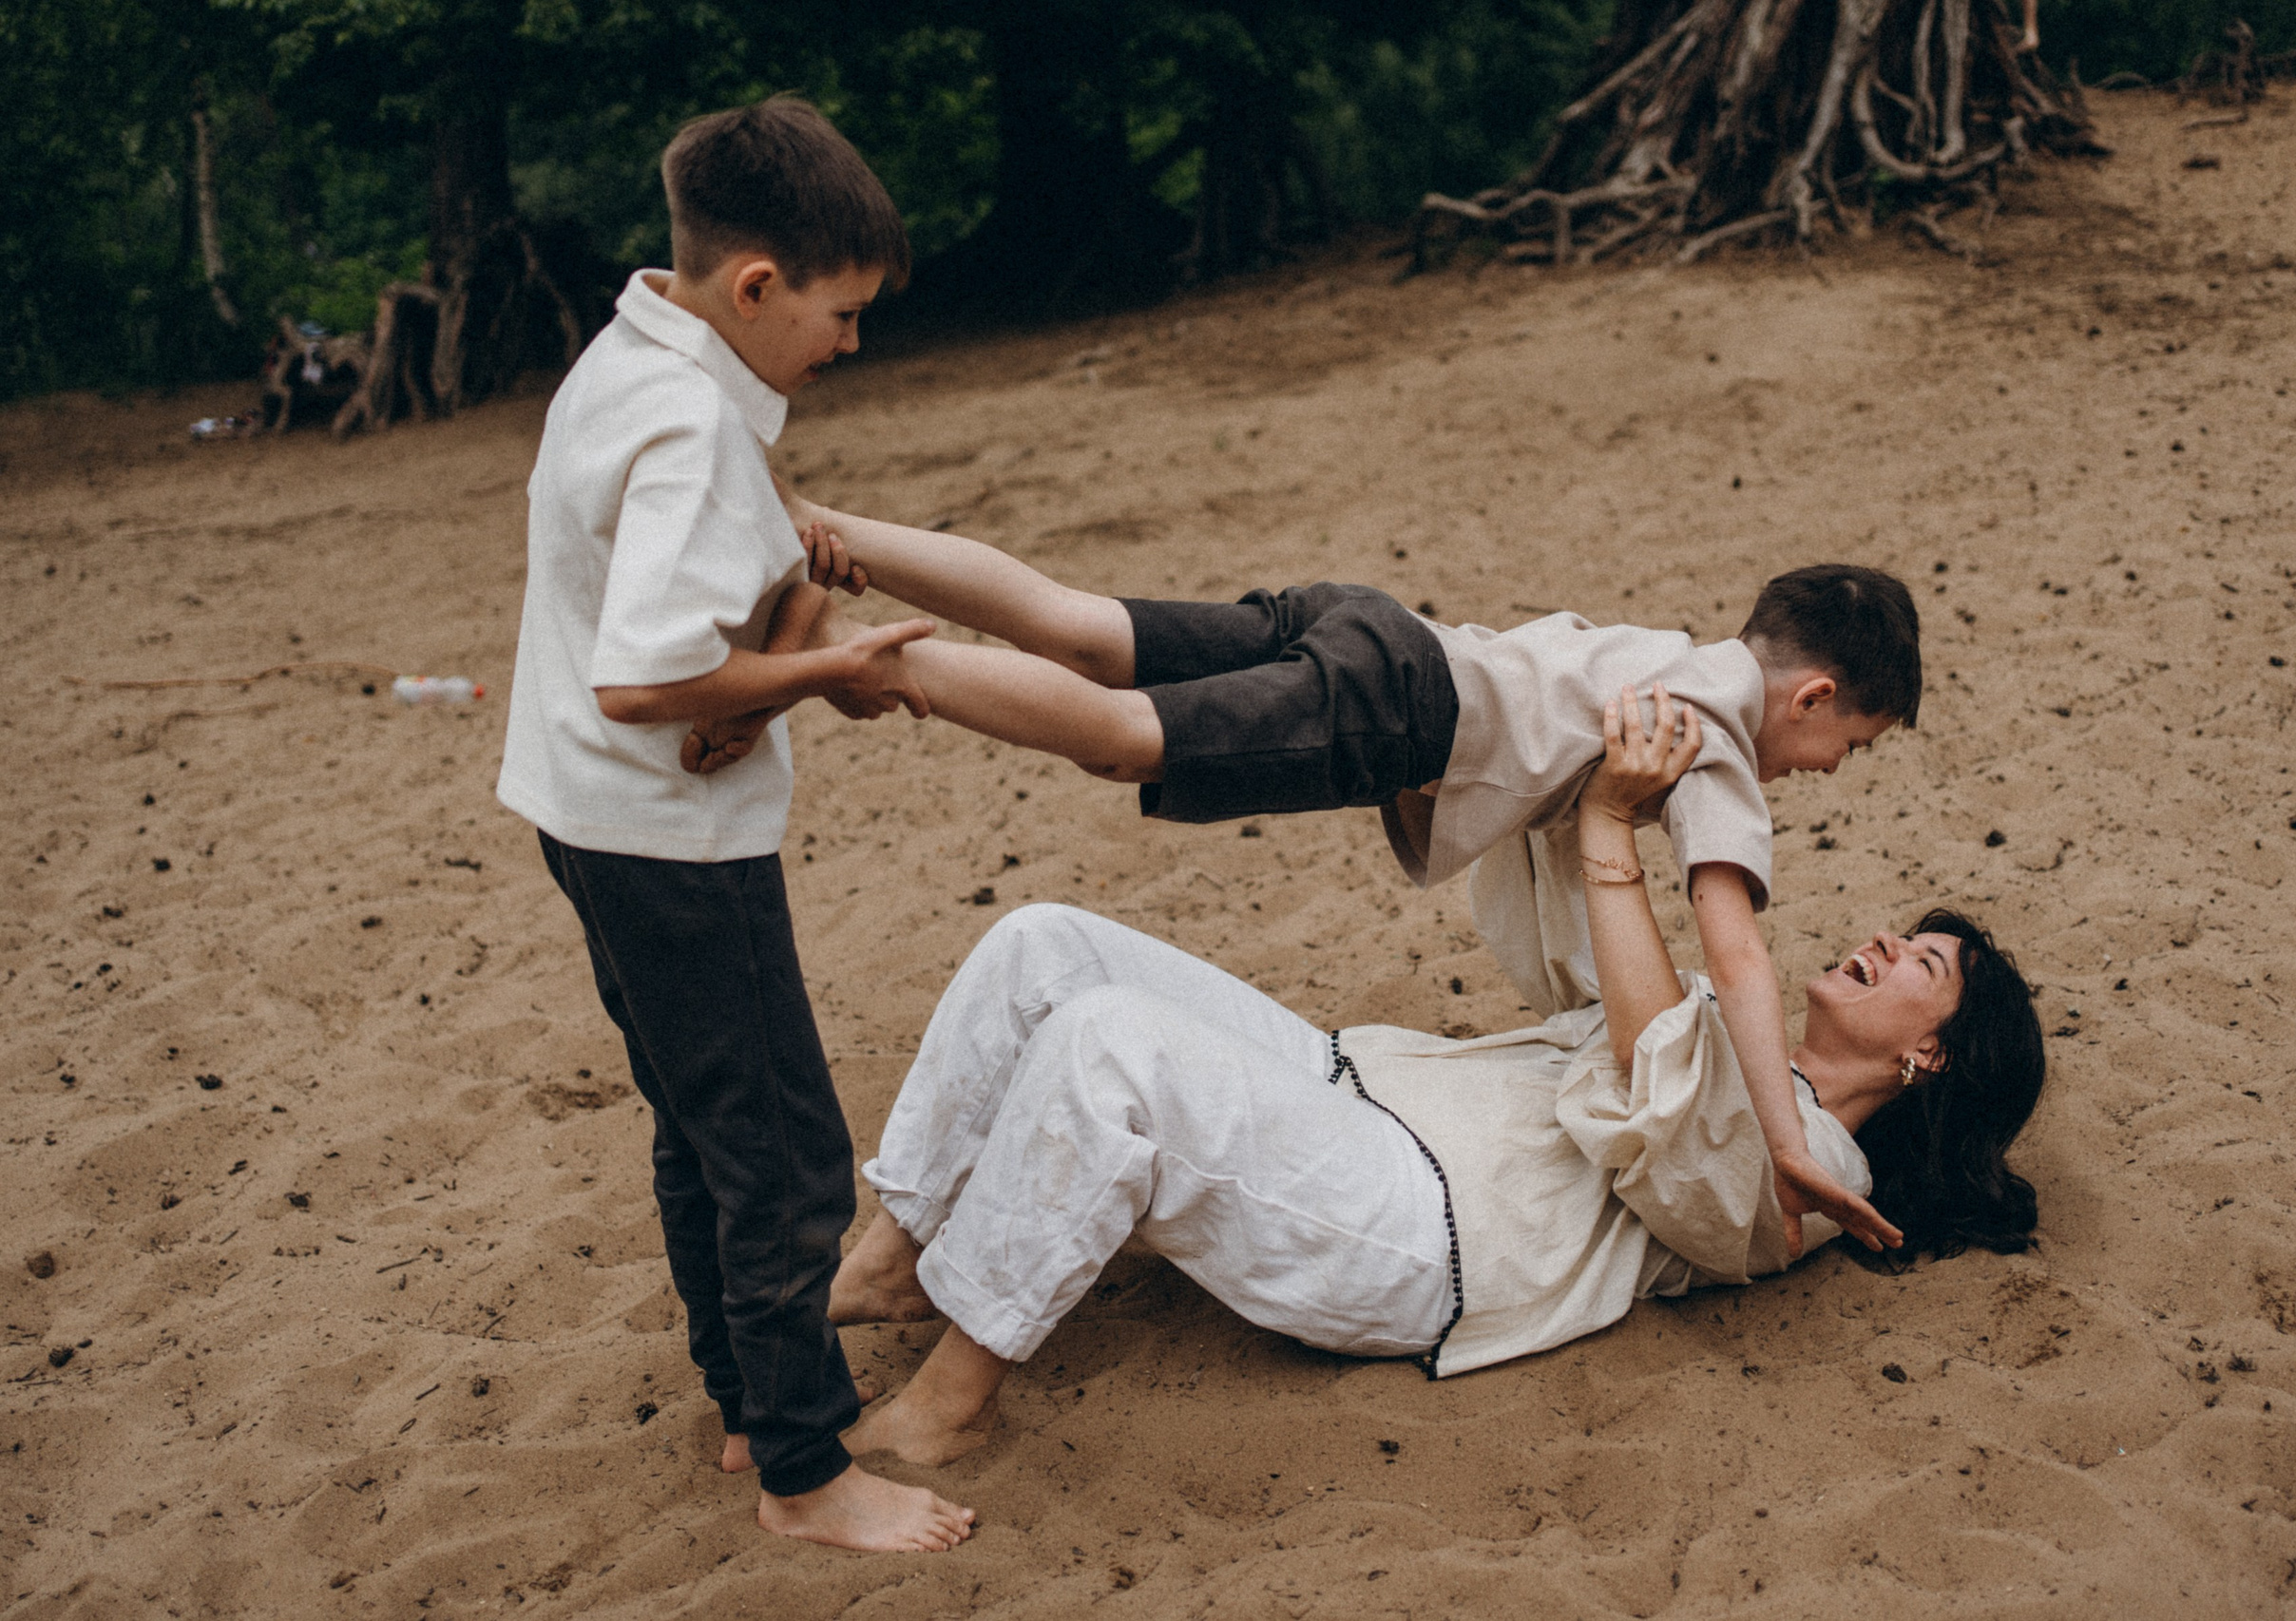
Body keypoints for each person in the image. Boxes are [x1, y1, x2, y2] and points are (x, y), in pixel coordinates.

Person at [826, 688, 2045, 1466]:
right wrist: (1576, 775)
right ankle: (900, 1250)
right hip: (1365, 1087)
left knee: (1109, 1046)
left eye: (1922, 961)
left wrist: (1615, 834)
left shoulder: (1817, 1174)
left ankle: (948, 1402)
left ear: (1928, 1051)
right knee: (1047, 938)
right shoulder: (1738, 1019)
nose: (1885, 942)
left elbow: (1662, 1108)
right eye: (1904, 932)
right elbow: (1586, 962)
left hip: (1421, 1229)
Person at [698, 507, 1923, 1254]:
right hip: (1403, 704)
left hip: (1376, 627)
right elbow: (1738, 950)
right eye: (1846, 746)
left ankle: (820, 529)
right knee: (1120, 732)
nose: (1821, 768)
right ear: (1813, 695)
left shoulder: (1679, 657)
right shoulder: (1715, 735)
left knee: (1077, 622)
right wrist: (1779, 1136)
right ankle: (839, 659)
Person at [493, 97, 974, 1553]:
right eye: (840, 313)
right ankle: (807, 1469)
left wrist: (795, 571)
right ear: (757, 284)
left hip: (582, 813)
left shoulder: (635, 349)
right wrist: (833, 664)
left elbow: (695, 616)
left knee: (703, 1131)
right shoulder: (698, 423)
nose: (850, 343)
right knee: (783, 1153)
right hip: (671, 841)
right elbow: (649, 680)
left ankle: (746, 1399)